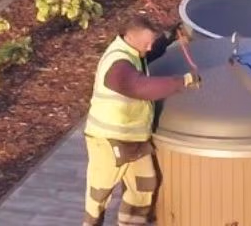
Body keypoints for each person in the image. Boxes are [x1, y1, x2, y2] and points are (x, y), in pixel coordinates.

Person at [82, 12, 199, 226]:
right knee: (100, 193)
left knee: (144, 186)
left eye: (150, 43)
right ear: (130, 37)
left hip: (134, 140)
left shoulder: (133, 52)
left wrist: (170, 37)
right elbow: (140, 86)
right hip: (109, 140)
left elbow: (150, 54)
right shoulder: (118, 65)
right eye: (146, 43)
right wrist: (182, 81)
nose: (148, 47)